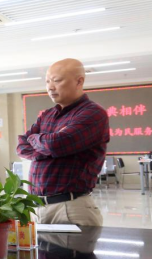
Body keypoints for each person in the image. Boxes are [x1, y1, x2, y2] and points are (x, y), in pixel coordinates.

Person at [17, 58, 110, 226]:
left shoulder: (93, 113)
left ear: (79, 81)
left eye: (57, 80)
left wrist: (36, 139)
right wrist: (46, 146)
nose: (50, 87)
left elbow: (56, 144)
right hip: (38, 207)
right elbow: (22, 146)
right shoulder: (47, 115)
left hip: (70, 207)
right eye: (47, 82)